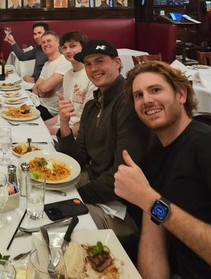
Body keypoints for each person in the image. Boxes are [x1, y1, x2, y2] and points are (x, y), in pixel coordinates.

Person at [113, 61, 211, 278]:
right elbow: (154, 246)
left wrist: (149, 201)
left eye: (156, 90)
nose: (147, 100)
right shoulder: (154, 155)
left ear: (181, 95)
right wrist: (150, 202)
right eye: (138, 95)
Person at [54, 40, 153, 252]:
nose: (93, 69)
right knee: (46, 189)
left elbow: (120, 176)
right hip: (96, 183)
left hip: (123, 209)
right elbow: (79, 158)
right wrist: (63, 125)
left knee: (56, 226)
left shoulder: (129, 103)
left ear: (117, 63)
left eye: (100, 61)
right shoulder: (93, 104)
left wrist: (76, 198)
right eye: (88, 64)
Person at [44, 31, 96, 137]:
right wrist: (43, 125)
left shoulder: (92, 77)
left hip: (75, 136)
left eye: (72, 46)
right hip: (63, 127)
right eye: (65, 47)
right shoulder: (67, 75)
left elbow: (88, 125)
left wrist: (56, 131)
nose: (68, 51)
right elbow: (63, 115)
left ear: (83, 48)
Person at [31, 30, 72, 120]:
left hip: (50, 111)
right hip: (39, 103)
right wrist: (42, 90)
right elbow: (35, 89)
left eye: (49, 41)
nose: (45, 44)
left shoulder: (64, 62)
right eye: (43, 42)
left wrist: (42, 88)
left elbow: (44, 88)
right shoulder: (46, 64)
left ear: (58, 43)